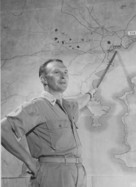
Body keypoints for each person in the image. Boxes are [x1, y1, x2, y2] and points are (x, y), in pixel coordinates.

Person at [1, 59, 96, 187]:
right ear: (44, 79)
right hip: (53, 173)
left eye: (66, 72)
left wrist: (90, 94)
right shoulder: (37, 106)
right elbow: (3, 129)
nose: (63, 76)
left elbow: (82, 101)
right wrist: (29, 162)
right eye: (57, 72)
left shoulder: (69, 106)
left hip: (78, 172)